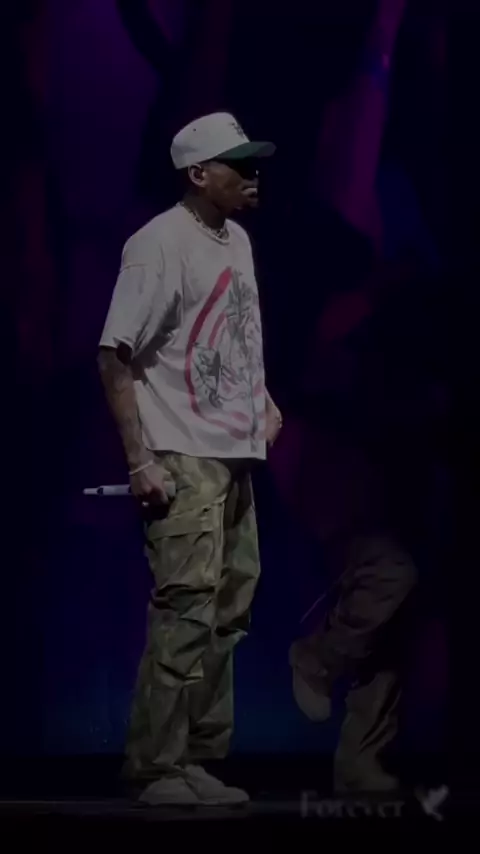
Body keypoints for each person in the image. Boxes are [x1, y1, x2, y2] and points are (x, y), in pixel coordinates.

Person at [98, 112, 281, 806]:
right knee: (186, 609)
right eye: (239, 164)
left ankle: (198, 759)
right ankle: (155, 766)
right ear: (199, 174)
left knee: (229, 610)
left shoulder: (238, 240)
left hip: (234, 452)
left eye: (254, 162)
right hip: (182, 451)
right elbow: (113, 354)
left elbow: (231, 338)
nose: (254, 174)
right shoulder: (158, 244)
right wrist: (139, 459)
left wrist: (264, 401)